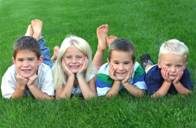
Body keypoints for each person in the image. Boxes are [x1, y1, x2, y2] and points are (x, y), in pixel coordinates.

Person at [52, 35, 97, 99]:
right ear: (62, 59)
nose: (74, 61)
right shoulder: (58, 69)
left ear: (86, 59)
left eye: (79, 57)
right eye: (69, 57)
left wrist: (80, 75)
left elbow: (92, 99)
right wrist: (71, 76)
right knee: (48, 63)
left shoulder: (90, 69)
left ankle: (57, 53)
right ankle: (55, 56)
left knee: (97, 65)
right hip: (55, 65)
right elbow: (60, 100)